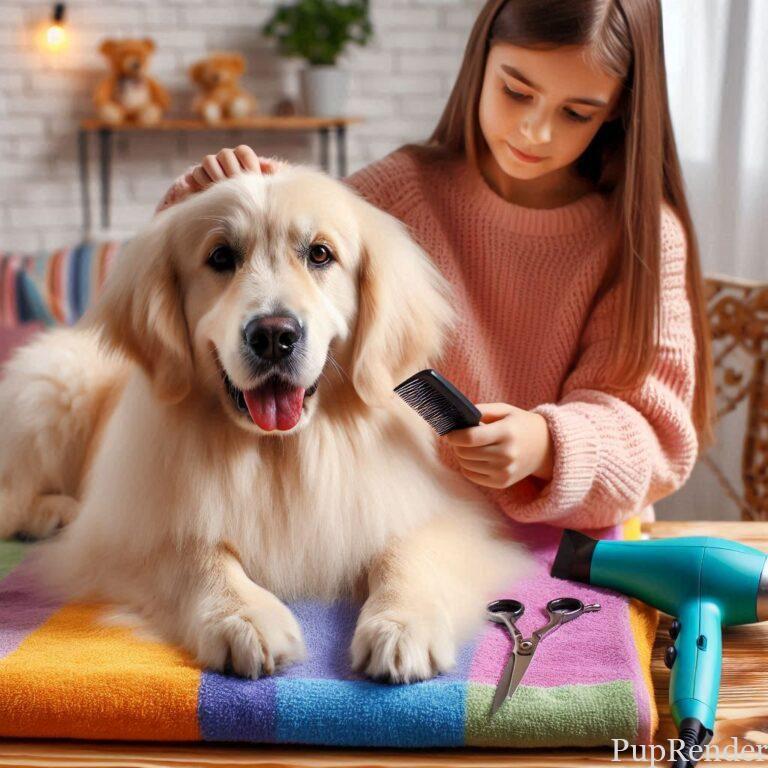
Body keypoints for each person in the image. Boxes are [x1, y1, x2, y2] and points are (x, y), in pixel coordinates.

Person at [154, 0, 713, 530]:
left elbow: (652, 432)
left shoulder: (641, 235)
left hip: (577, 551)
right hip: (412, 533)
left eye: (575, 112)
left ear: (616, 108)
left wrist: (548, 444)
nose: (535, 131)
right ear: (481, 60)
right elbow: (282, 239)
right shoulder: (404, 191)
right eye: (516, 91)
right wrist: (206, 196)